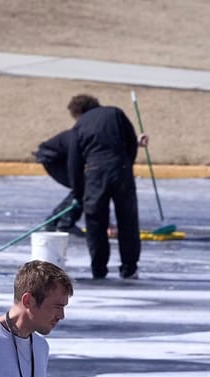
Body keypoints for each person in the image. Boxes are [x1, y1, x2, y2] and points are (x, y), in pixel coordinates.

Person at [65, 93, 145, 280]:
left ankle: (99, 268)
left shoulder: (80, 125)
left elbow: (74, 162)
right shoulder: (115, 113)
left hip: (95, 174)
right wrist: (126, 164)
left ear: (78, 112)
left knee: (96, 222)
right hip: (121, 170)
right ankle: (129, 267)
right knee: (127, 220)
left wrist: (78, 192)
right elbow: (131, 141)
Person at [34, 129, 83, 235]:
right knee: (84, 188)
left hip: (60, 157)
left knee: (86, 187)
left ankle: (52, 222)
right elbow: (74, 162)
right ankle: (65, 224)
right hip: (54, 159)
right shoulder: (85, 136)